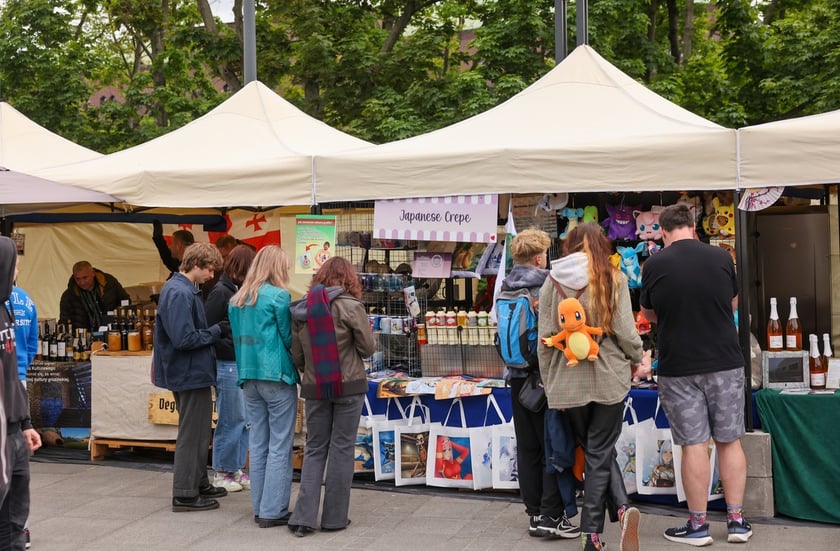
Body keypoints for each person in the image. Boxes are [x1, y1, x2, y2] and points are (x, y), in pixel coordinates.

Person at [640, 203, 751, 546]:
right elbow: (732, 302)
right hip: (725, 362)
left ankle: (699, 527)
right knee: (730, 440)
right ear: (693, 226)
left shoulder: (654, 264)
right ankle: (736, 522)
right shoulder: (720, 257)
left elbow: (648, 313)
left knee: (693, 445)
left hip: (680, 367)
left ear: (662, 230)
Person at [538, 222, 645, 551]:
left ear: (568, 246)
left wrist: (549, 384)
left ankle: (622, 509)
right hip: (609, 379)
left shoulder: (550, 283)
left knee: (596, 450)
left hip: (568, 385)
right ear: (601, 246)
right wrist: (638, 356)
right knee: (599, 452)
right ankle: (591, 534)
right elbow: (627, 333)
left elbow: (544, 342)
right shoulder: (613, 279)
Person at [498, 227, 580, 539]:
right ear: (539, 257)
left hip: (516, 379)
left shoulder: (505, 287)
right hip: (543, 378)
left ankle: (533, 513)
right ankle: (552, 515)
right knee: (551, 448)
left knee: (528, 448)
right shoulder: (546, 286)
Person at [287, 256, 376, 537]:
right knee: (341, 449)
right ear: (349, 278)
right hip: (349, 386)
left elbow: (297, 355)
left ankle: (303, 518)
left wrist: (312, 371)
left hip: (315, 388)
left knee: (314, 450)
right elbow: (368, 348)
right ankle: (335, 518)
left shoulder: (303, 308)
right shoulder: (351, 306)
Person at [228, 245, 300, 528]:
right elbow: (288, 338)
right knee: (280, 445)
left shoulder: (237, 299)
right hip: (276, 375)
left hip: (248, 376)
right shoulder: (279, 296)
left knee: (258, 444)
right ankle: (273, 511)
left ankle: (260, 507)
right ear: (276, 268)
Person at [152, 242, 227, 512]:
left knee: (198, 432)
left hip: (191, 371)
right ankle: (184, 494)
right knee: (191, 434)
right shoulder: (179, 293)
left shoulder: (182, 290)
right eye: (209, 269)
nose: (211, 275)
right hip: (188, 372)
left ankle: (198, 482)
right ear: (195, 265)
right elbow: (184, 339)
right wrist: (217, 331)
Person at [0, 236, 42, 550]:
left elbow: (13, 366)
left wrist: (25, 422)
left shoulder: (10, 308)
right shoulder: (18, 303)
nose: (15, 272)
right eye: (13, 265)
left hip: (15, 424)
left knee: (16, 515)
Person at [205, 245, 257, 493]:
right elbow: (209, 328)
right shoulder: (220, 292)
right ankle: (222, 470)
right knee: (230, 418)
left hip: (239, 362)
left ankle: (235, 467)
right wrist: (229, 341)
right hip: (227, 363)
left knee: (244, 419)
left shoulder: (235, 289)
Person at [7, 258, 37, 549]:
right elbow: (32, 346)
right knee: (19, 463)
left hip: (6, 385)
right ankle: (21, 529)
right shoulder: (26, 300)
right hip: (20, 381)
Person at [58, 261, 130, 331]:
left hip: (113, 332)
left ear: (93, 273)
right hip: (85, 338)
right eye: (78, 279)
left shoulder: (110, 284)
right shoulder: (68, 296)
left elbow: (126, 302)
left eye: (85, 277)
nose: (82, 282)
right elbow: (64, 322)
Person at [202, 234, 239, 301]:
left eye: (226, 256)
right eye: (221, 257)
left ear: (236, 252)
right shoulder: (211, 276)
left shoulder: (244, 272)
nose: (224, 261)